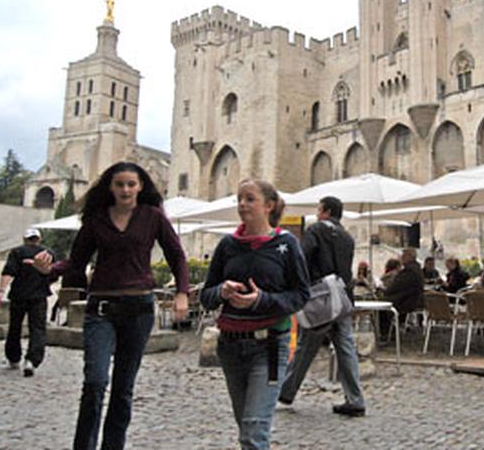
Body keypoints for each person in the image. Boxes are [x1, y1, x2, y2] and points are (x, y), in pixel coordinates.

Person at [30, 162, 190, 450]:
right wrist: (49, 270)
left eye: (131, 184)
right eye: (120, 184)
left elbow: (177, 256)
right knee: (95, 381)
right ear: (111, 187)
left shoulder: (152, 216)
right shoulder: (96, 219)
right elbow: (76, 263)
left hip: (138, 309)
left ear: (141, 186)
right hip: (101, 308)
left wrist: (182, 293)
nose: (126, 189)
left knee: (123, 389)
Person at [201, 179, 310, 448]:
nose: (242, 204)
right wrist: (222, 292)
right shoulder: (227, 245)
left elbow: (300, 295)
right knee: (246, 426)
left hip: (271, 346)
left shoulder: (286, 245)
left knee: (253, 430)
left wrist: (260, 300)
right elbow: (206, 295)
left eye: (250, 199)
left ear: (268, 205)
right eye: (239, 199)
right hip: (230, 345)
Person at [279, 196, 366, 417]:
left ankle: (285, 393)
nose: (317, 213)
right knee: (345, 348)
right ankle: (355, 399)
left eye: (319, 209)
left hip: (320, 298)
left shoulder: (316, 230)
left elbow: (301, 258)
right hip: (343, 299)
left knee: (306, 347)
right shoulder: (347, 237)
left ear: (326, 211)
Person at [0, 228, 56, 376]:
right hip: (39, 296)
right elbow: (53, 274)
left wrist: (1, 291)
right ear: (39, 239)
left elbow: (8, 272)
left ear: (25, 239)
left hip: (19, 295)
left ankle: (13, 357)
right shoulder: (48, 253)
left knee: (15, 327)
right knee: (37, 329)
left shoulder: (17, 252)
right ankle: (32, 360)